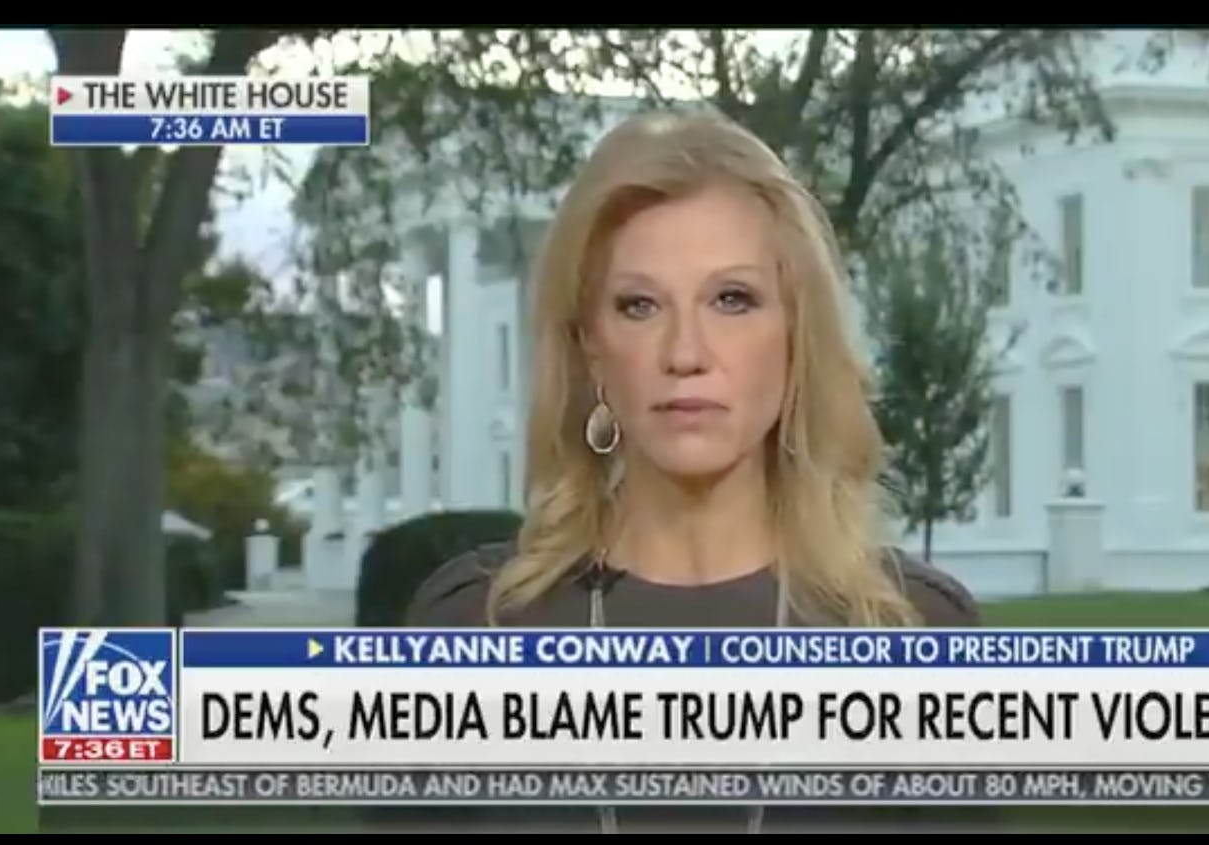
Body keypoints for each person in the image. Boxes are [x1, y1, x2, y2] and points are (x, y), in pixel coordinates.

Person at [399, 109, 987, 834]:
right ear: (591, 348)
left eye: (732, 299)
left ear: (796, 336)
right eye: (639, 305)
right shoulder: (471, 629)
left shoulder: (918, 637)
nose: (686, 352)